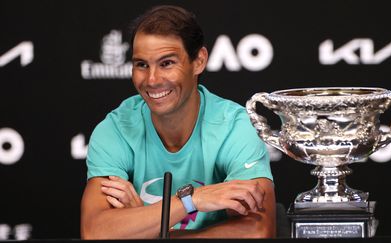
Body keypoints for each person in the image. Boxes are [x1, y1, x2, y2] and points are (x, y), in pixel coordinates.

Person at [80, 5, 275, 239]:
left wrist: (151, 230)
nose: (152, 80)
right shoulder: (115, 129)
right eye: (142, 65)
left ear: (199, 61)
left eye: (167, 63)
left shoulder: (234, 127)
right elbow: (95, 232)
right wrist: (191, 199)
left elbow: (258, 231)